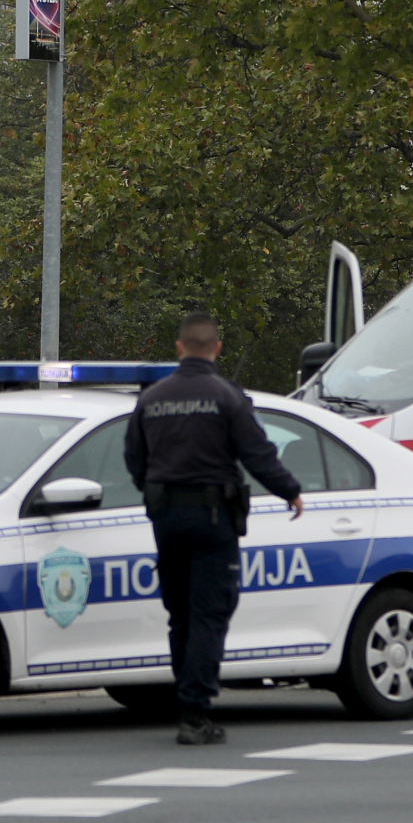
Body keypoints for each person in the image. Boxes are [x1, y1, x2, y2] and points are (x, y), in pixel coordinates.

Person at [125, 313, 303, 745]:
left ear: (179, 347)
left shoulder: (152, 399)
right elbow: (257, 453)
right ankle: (195, 713)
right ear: (216, 348)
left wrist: (155, 492)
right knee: (209, 614)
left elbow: (134, 457)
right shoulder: (227, 397)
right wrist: (290, 491)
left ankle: (186, 699)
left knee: (180, 614)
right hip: (213, 521)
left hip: (166, 519)